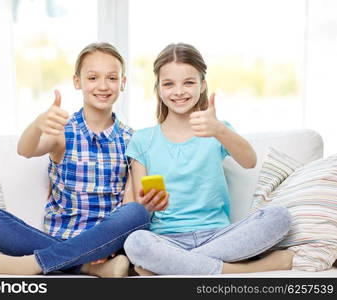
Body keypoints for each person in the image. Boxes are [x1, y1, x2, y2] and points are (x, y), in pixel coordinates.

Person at [0, 42, 150, 277]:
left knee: (137, 213)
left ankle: (34, 263)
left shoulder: (131, 139)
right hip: (59, 238)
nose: (102, 86)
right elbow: (25, 150)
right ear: (77, 81)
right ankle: (87, 266)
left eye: (112, 78)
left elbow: (130, 202)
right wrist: (37, 124)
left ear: (123, 83)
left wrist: (110, 245)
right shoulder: (63, 131)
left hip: (106, 242)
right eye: (93, 78)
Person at [123, 43, 294, 276]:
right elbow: (133, 208)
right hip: (166, 239)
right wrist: (147, 207)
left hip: (218, 235)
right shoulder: (142, 140)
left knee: (279, 217)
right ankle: (251, 267)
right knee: (136, 242)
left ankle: (175, 266)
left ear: (202, 85)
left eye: (189, 82)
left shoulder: (216, 130)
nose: (179, 91)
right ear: (159, 89)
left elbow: (250, 161)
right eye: (169, 84)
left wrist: (219, 130)